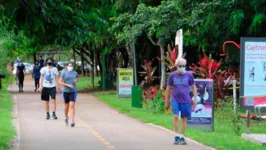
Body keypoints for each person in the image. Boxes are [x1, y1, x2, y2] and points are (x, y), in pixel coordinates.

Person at [165, 58, 197, 145]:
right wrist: (166, 102)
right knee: (175, 116)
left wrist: (195, 99)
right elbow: (168, 89)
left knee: (184, 119)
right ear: (176, 66)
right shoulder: (172, 75)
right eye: (180, 66)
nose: (182, 67)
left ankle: (182, 137)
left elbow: (193, 87)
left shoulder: (189, 75)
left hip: (186, 100)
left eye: (183, 66)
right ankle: (176, 135)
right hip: (175, 99)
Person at [59, 62, 78, 127]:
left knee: (72, 106)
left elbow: (77, 79)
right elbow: (60, 82)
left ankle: (72, 121)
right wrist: (67, 85)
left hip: (73, 91)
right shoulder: (63, 73)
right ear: (67, 66)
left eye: (71, 66)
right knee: (66, 106)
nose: (70, 67)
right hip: (65, 91)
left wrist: (76, 80)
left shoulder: (75, 73)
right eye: (69, 66)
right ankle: (66, 117)